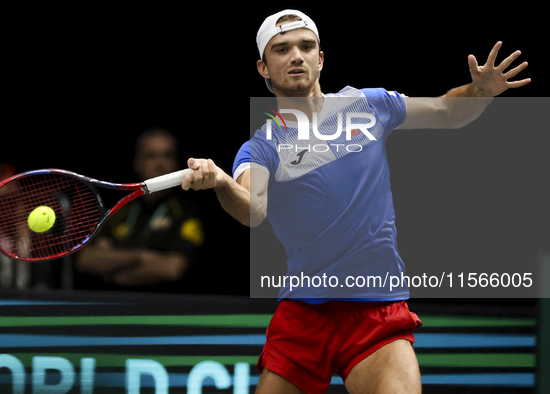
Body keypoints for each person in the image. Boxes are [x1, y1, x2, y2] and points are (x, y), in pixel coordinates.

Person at [179, 9, 530, 394]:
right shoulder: (263, 147)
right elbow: (253, 210)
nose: (296, 55)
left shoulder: (368, 106)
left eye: (306, 46)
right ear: (263, 67)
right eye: (282, 49)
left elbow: (447, 111)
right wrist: (221, 183)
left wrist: (478, 90)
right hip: (305, 314)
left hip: (376, 309)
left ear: (321, 58)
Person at [75, 128, 204, 294]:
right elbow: (86, 259)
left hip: (167, 307)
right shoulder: (119, 210)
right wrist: (141, 257)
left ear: (177, 164)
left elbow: (172, 269)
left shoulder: (187, 212)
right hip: (112, 305)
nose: (160, 164)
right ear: (137, 163)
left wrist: (114, 272)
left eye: (167, 156)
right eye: (151, 156)